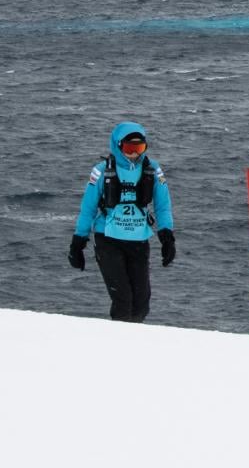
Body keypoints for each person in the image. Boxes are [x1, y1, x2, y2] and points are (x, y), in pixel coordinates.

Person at [68, 121, 176, 322]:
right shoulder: (101, 171)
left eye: (139, 148)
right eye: (129, 148)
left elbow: (163, 206)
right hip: (108, 240)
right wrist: (78, 242)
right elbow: (88, 209)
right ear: (118, 146)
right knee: (123, 300)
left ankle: (133, 337)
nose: (134, 153)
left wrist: (167, 237)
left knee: (141, 302)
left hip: (138, 240)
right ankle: (120, 338)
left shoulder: (153, 170)